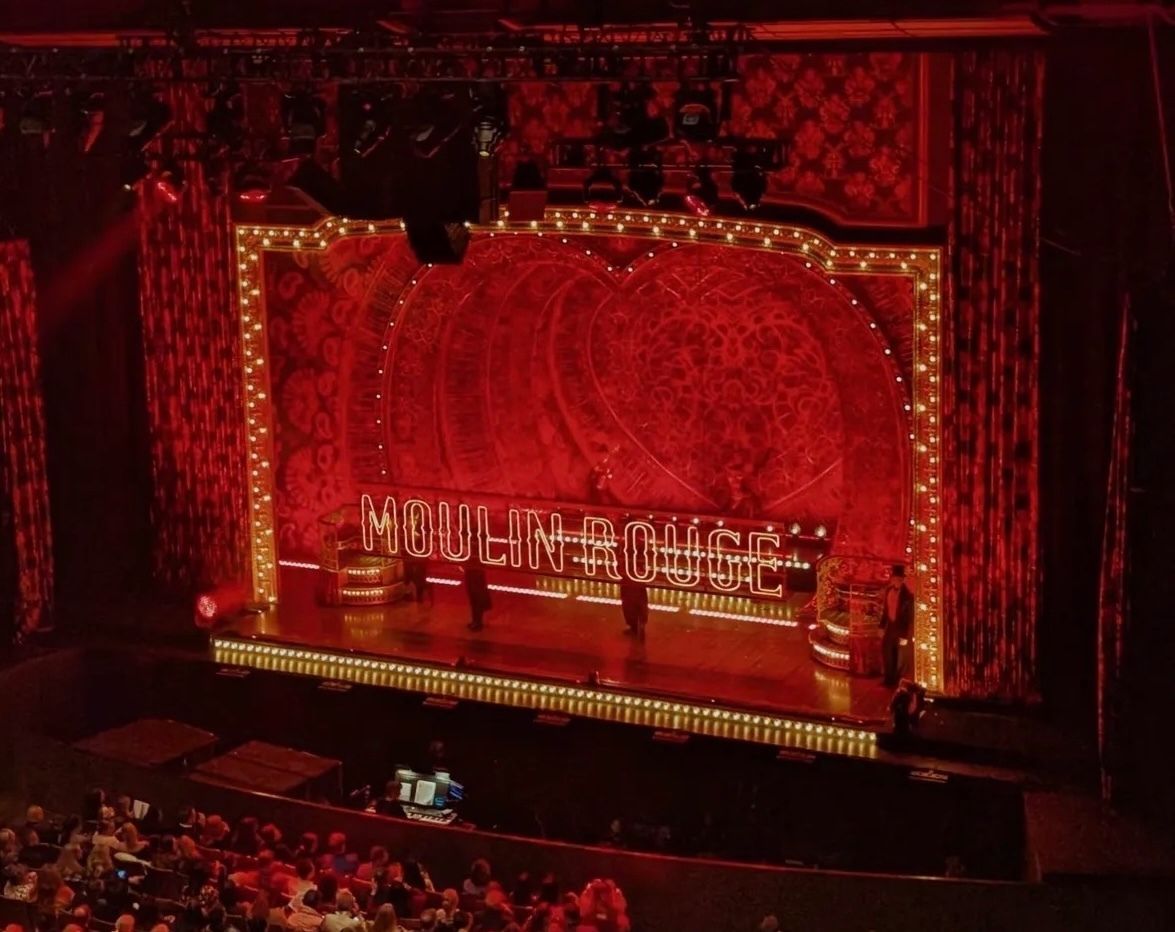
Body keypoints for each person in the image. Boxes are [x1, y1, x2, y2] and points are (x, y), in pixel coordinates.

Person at [878, 564, 915, 687]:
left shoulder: (907, 595)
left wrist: (904, 635)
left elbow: (908, 616)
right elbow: (885, 610)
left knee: (900, 656)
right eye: (894, 579)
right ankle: (888, 679)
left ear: (903, 580)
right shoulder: (889, 591)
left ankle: (896, 680)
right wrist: (882, 626)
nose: (896, 581)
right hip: (890, 626)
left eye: (899, 579)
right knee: (887, 652)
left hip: (900, 628)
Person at [463, 558, 491, 631]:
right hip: (475, 570)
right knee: (475, 597)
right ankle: (476, 621)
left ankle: (477, 622)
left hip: (474, 570)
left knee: (476, 597)